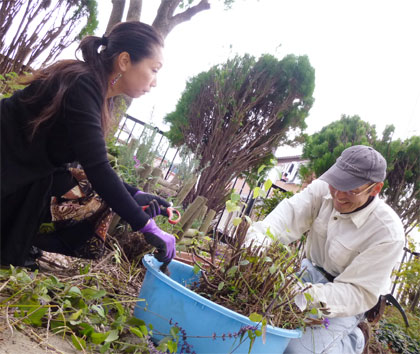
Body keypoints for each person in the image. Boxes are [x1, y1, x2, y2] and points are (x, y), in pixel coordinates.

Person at [1, 21, 176, 269]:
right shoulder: (82, 84)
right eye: (154, 69)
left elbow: (88, 160)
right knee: (92, 193)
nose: (155, 81)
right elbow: (98, 168)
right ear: (125, 61)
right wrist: (146, 226)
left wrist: (136, 194)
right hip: (8, 167)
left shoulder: (101, 95)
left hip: (24, 172)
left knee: (96, 192)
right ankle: (26, 243)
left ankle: (35, 244)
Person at [246, 145, 405, 354]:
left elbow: (357, 294)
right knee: (254, 318)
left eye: (351, 189)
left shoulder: (388, 233)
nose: (338, 194)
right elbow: (279, 223)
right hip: (308, 272)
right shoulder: (322, 189)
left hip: (348, 299)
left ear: (375, 189)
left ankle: (354, 341)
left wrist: (300, 295)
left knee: (295, 350)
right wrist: (253, 254)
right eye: (337, 183)